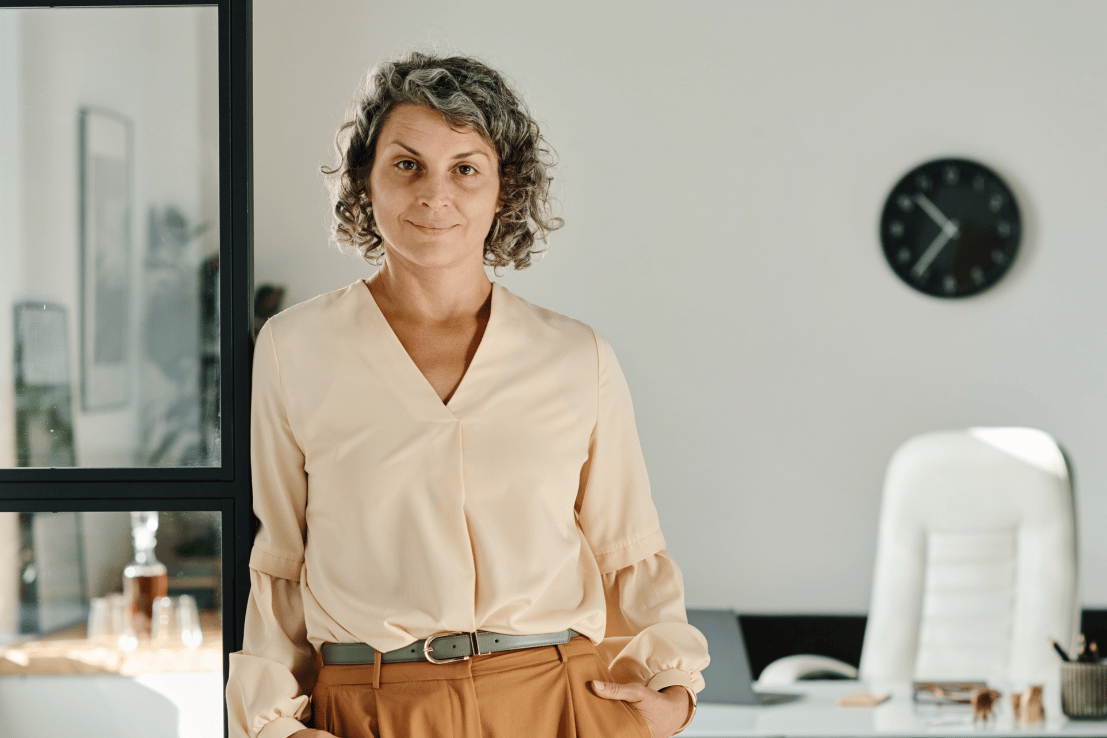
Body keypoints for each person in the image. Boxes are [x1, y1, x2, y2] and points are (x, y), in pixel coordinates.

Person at [226, 51, 710, 738]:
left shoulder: (577, 356)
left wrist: (672, 690)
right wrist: (273, 723)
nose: (434, 195)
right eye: (406, 164)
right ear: (366, 181)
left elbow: (625, 548)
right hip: (373, 705)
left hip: (560, 699)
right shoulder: (292, 348)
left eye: (465, 168)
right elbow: (280, 557)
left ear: (502, 191)